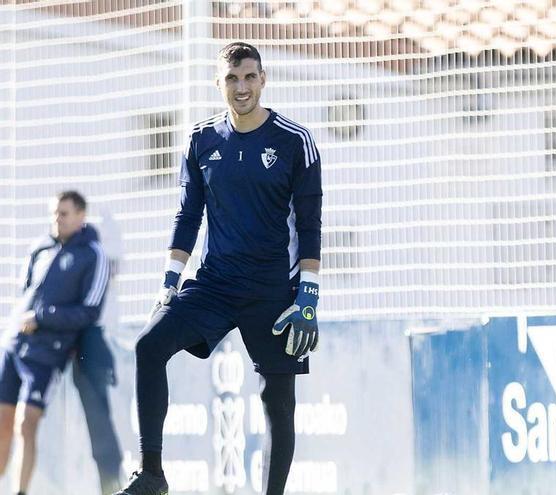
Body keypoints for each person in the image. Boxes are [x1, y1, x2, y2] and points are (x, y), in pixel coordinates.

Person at [115, 42, 322, 495]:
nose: (241, 87)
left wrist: (308, 295)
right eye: (232, 78)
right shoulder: (201, 139)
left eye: (249, 77)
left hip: (273, 290)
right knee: (149, 345)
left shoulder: (295, 141)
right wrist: (169, 282)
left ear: (263, 79)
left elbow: (309, 223)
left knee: (277, 399)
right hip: (214, 284)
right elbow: (188, 214)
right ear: (219, 84)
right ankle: (152, 473)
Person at [0, 191, 110, 495]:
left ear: (80, 216)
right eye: (54, 213)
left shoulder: (92, 254)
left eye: (63, 213)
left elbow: (89, 311)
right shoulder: (40, 247)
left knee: (26, 422)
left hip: (47, 352)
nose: (56, 219)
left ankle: (20, 492)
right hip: (13, 345)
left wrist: (43, 317)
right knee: (3, 424)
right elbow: (25, 292)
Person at [72, 212, 124, 494]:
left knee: (99, 419)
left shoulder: (95, 254)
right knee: (97, 420)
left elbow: (91, 311)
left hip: (94, 346)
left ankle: (111, 481)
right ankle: (109, 480)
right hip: (85, 345)